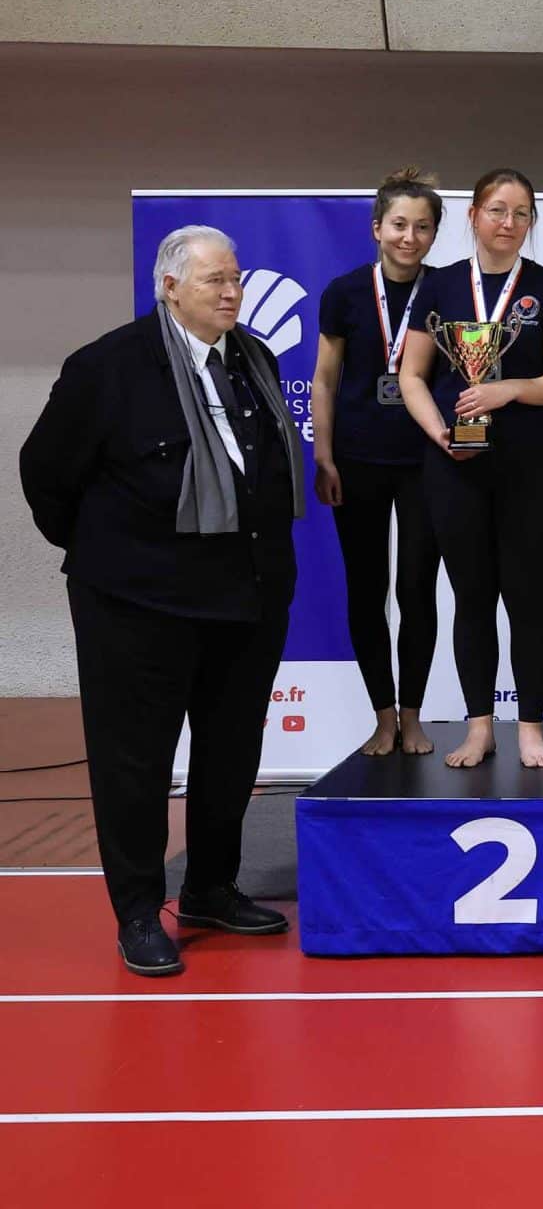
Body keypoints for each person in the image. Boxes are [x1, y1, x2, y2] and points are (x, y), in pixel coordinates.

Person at [21, 225, 302, 976]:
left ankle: (210, 887)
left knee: (229, 754)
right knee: (135, 762)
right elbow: (45, 472)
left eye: (235, 278)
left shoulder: (254, 358)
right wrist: (111, 555)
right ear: (170, 287)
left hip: (244, 596)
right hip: (137, 603)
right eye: (216, 280)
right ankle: (139, 911)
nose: (232, 292)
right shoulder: (108, 366)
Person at [398, 168, 543, 770]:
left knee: (527, 598)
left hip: (531, 468)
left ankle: (530, 728)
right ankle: (479, 728)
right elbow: (412, 375)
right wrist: (439, 433)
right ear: (473, 215)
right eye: (498, 210)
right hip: (455, 467)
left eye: (521, 213)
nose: (509, 222)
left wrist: (509, 389)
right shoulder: (440, 285)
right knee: (471, 599)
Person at [310, 167, 442, 758]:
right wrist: (324, 456)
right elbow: (324, 379)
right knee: (367, 590)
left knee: (417, 590)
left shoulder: (446, 290)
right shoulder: (343, 293)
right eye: (399, 225)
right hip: (358, 459)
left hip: (425, 461)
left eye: (422, 227)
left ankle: (413, 716)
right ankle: (383, 717)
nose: (409, 237)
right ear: (376, 229)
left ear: (434, 233)